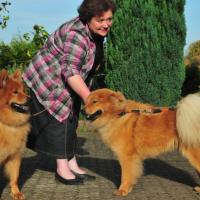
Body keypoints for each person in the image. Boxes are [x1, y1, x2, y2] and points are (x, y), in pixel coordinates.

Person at [23, 0, 116, 185]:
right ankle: (62, 168)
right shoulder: (76, 35)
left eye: (109, 19)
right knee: (61, 121)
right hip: (48, 79)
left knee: (72, 118)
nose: (106, 24)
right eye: (100, 20)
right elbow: (71, 71)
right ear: (88, 18)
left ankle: (71, 163)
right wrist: (90, 99)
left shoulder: (95, 31)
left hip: (67, 81)